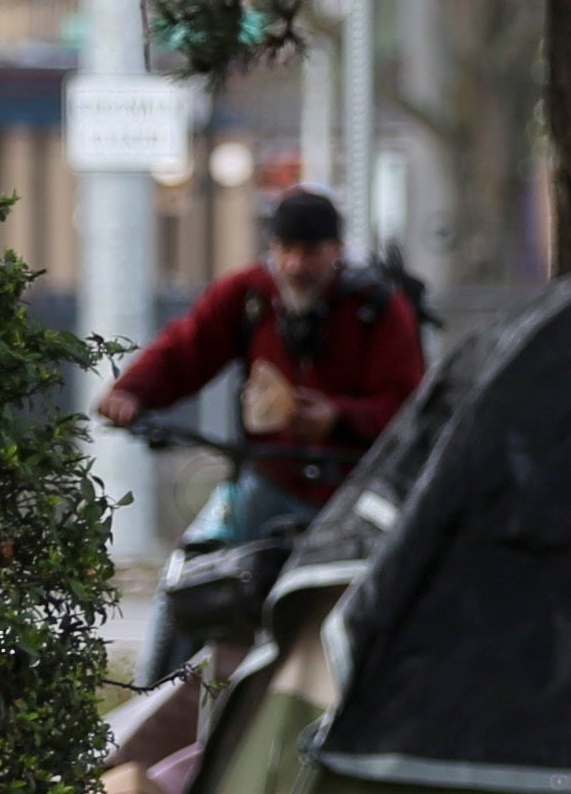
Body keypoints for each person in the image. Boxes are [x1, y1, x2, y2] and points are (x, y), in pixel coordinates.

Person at [93, 185, 427, 541]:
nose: (295, 265)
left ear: (337, 252)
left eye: (310, 252)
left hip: (356, 488)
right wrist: (131, 392)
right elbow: (188, 347)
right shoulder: (248, 294)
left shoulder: (376, 308)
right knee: (203, 572)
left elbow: (410, 407)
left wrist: (338, 418)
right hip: (272, 481)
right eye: (285, 250)